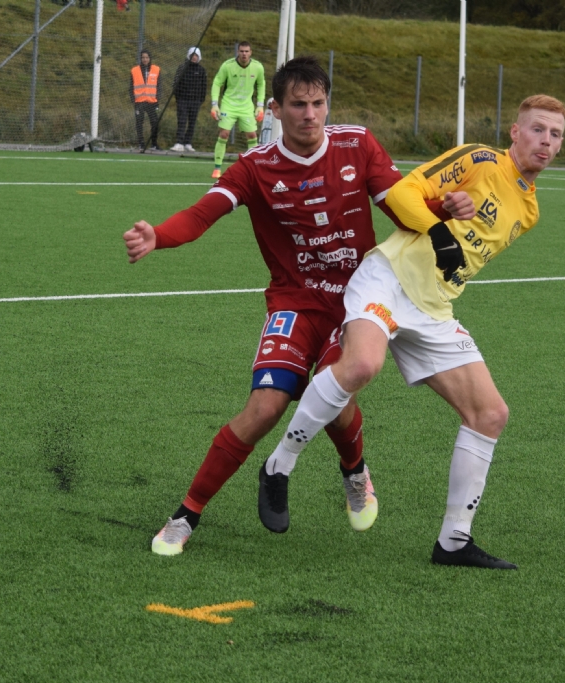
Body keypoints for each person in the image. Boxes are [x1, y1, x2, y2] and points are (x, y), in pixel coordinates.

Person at [122, 56, 474, 556]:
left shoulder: (357, 144)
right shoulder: (256, 166)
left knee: (336, 396)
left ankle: (354, 470)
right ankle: (186, 515)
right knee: (264, 407)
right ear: (276, 109)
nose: (310, 114)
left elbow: (399, 205)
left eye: (318, 103)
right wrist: (159, 235)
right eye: (298, 105)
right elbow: (203, 214)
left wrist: (443, 208)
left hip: (356, 301)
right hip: (293, 300)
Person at [256, 94, 565, 570]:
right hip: (388, 279)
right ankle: (280, 464)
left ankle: (454, 542)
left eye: (556, 134)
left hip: (433, 307)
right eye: (537, 129)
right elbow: (403, 193)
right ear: (515, 132)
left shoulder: (529, 211)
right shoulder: (481, 160)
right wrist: (440, 226)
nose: (545, 141)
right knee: (362, 364)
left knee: (490, 414)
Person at [209, 41, 264, 179]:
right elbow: (217, 82)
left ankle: (254, 168)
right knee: (224, 134)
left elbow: (261, 85)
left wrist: (260, 105)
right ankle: (217, 168)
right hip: (229, 104)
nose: (244, 54)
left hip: (246, 106)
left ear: (251, 52)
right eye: (242, 51)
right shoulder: (227, 66)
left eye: (247, 51)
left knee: (252, 135)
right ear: (238, 52)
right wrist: (215, 104)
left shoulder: (257, 67)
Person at [171, 47, 208, 153]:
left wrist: (200, 100)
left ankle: (188, 143)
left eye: (196, 55)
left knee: (192, 122)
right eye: (192, 55)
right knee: (182, 121)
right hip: (183, 100)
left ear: (199, 57)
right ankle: (179, 143)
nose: (194, 57)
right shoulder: (182, 68)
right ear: (189, 56)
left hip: (195, 101)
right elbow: (176, 83)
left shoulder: (201, 70)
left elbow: (204, 86)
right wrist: (178, 98)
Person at [130, 50, 160, 153]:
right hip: (139, 101)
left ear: (150, 58)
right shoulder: (135, 70)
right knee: (139, 122)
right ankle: (141, 143)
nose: (145, 59)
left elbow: (159, 86)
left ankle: (154, 144)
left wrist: (157, 98)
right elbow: (131, 86)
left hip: (152, 101)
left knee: (155, 122)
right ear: (140, 58)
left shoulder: (156, 69)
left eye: (147, 57)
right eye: (143, 57)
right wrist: (133, 99)